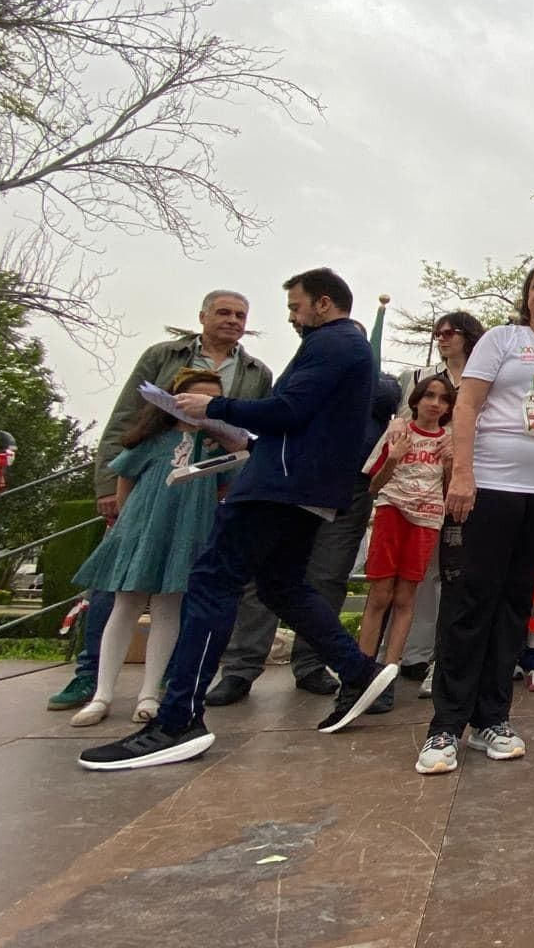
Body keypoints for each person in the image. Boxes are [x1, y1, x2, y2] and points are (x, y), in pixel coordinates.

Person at [79, 269, 399, 771]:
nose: (291, 316)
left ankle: (179, 718)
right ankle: (357, 670)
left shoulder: (333, 342)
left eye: (295, 306)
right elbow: (309, 422)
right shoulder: (342, 348)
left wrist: (215, 406)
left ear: (322, 303)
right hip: (302, 485)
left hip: (280, 488)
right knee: (281, 587)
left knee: (212, 581)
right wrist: (249, 443)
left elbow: (290, 410)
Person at [49, 290, 271, 712]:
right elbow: (127, 417)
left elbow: (248, 433)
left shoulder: (255, 372)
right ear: (202, 315)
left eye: (240, 315)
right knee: (116, 589)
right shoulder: (164, 354)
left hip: (202, 494)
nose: (232, 320)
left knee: (183, 590)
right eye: (223, 312)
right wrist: (107, 484)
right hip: (149, 495)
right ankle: (89, 677)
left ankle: (168, 679)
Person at [416, 261, 534, 776]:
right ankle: (445, 727)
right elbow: (467, 405)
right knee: (473, 598)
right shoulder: (501, 340)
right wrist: (463, 474)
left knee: (517, 601)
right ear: (527, 297)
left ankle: (493, 718)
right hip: (494, 482)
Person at [201, 336, 400, 706]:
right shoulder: (303, 377)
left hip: (349, 487)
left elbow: (386, 400)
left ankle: (314, 665)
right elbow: (282, 412)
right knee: (262, 580)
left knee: (323, 577)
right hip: (290, 482)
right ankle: (240, 668)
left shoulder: (379, 382)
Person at [67, 369, 249, 727]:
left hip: (188, 535)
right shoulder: (154, 439)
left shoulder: (217, 446)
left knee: (169, 610)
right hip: (143, 531)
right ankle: (103, 693)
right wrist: (127, 524)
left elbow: (225, 486)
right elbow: (126, 478)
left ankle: (149, 693)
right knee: (125, 605)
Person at [355, 375, 455, 710]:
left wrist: (453, 460)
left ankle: (388, 673)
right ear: (416, 399)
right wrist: (395, 456)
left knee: (405, 596)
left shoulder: (449, 440)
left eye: (443, 399)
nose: (434, 404)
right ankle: (360, 670)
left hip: (427, 519)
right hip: (392, 510)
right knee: (380, 594)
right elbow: (373, 484)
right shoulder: (399, 431)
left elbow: (449, 490)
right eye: (429, 396)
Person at [398, 311, 485, 691]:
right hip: (426, 484)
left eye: (451, 332)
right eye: (438, 332)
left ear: (468, 336)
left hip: (475, 479)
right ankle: (415, 654)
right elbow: (405, 425)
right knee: (425, 571)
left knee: (467, 571)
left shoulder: (485, 377)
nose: (443, 338)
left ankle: (457, 653)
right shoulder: (421, 378)